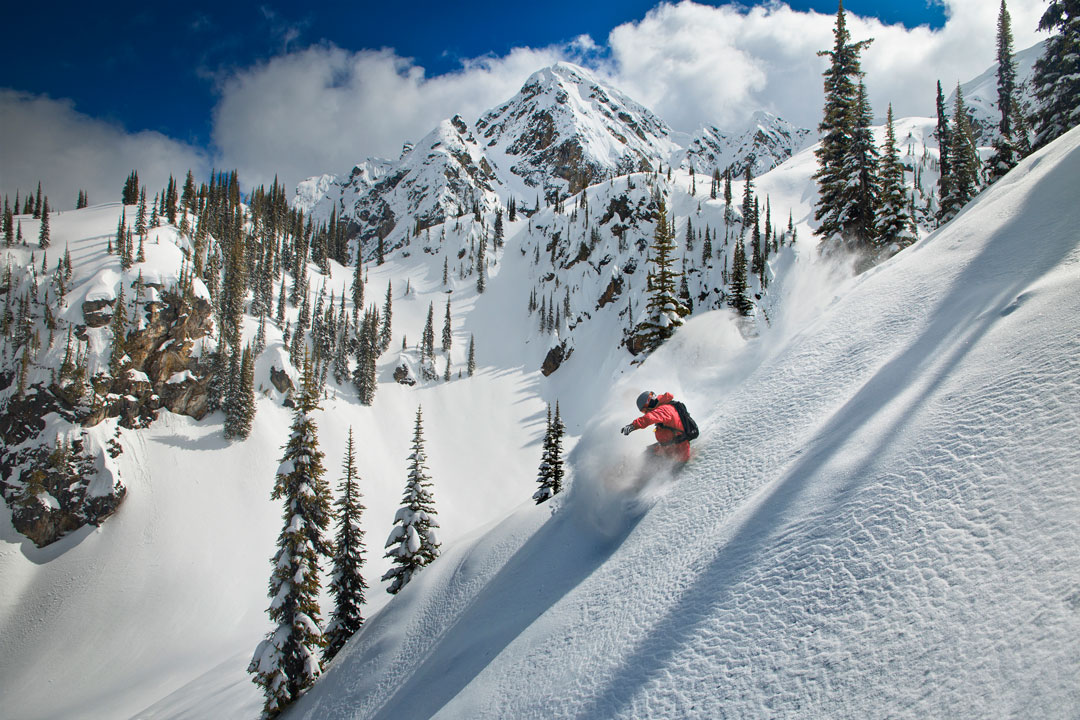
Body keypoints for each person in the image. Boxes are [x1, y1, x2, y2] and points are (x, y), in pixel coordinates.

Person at [620, 390, 692, 464]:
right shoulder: (665, 407)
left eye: (644, 410)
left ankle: (636, 472)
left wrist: (633, 426)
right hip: (671, 446)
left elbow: (649, 418)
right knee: (648, 451)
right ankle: (629, 466)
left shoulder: (663, 410)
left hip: (677, 452)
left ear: (649, 403)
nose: (646, 412)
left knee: (646, 459)